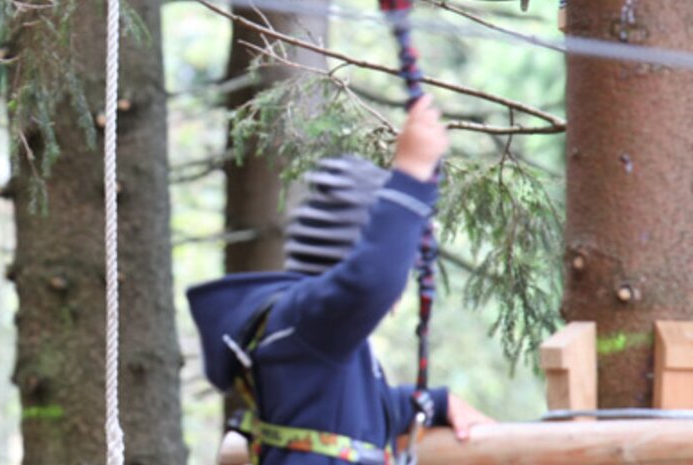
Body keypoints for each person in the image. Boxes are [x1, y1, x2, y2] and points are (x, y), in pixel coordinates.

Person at [188, 97, 495, 464]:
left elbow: (366, 413)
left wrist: (436, 402)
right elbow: (372, 280)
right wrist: (411, 173)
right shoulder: (307, 323)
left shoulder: (317, 339)